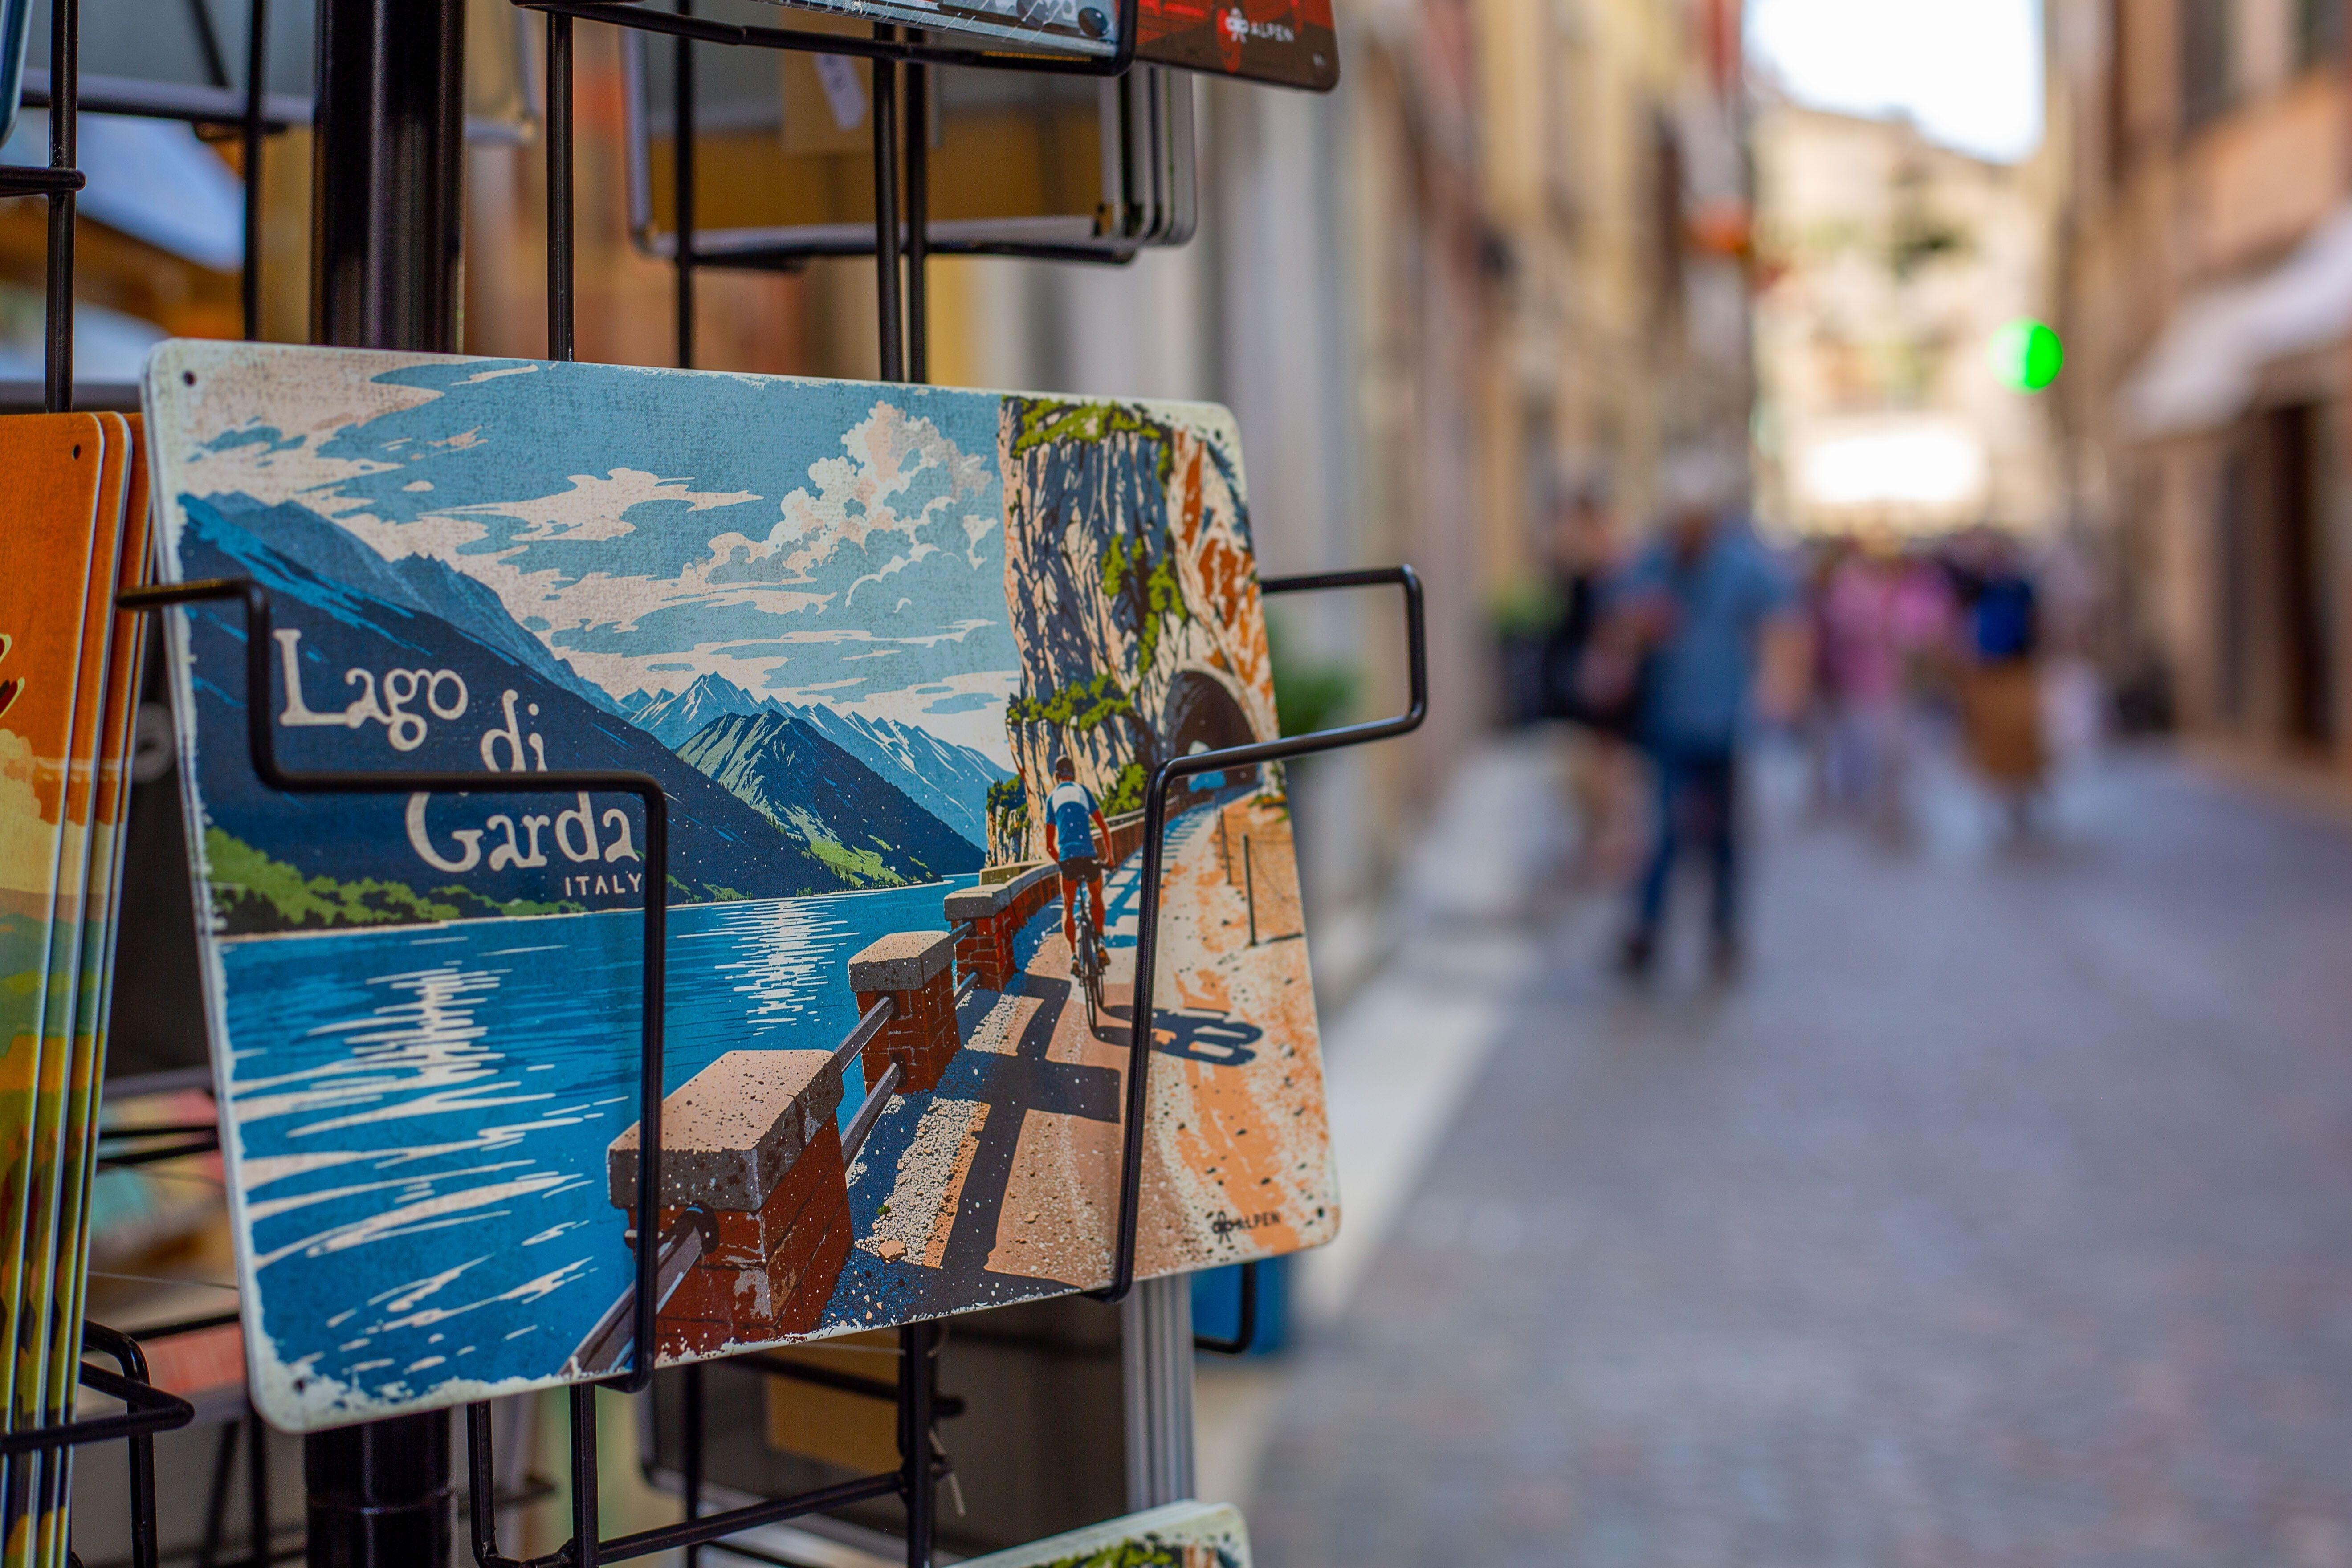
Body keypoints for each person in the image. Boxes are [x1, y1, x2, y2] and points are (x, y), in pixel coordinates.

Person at [1607, 448, 1802, 980]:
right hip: (1669, 718)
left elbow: (1782, 622)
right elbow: (1619, 621)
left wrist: (1778, 689)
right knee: (1664, 830)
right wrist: (1639, 627)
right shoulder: (1655, 562)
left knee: (1723, 836)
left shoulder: (1741, 565)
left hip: (1723, 720)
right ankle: (1647, 929)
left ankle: (1723, 932)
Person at [1044, 754, 1111, 958]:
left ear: (1057, 776)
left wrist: (1063, 862)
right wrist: (1110, 859)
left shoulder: (1052, 798)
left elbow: (1049, 847)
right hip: (1088, 856)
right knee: (1096, 897)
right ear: (1074, 773)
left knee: (1068, 907)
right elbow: (1104, 828)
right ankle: (1100, 941)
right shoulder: (1083, 791)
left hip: (1068, 859)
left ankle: (1074, 956)